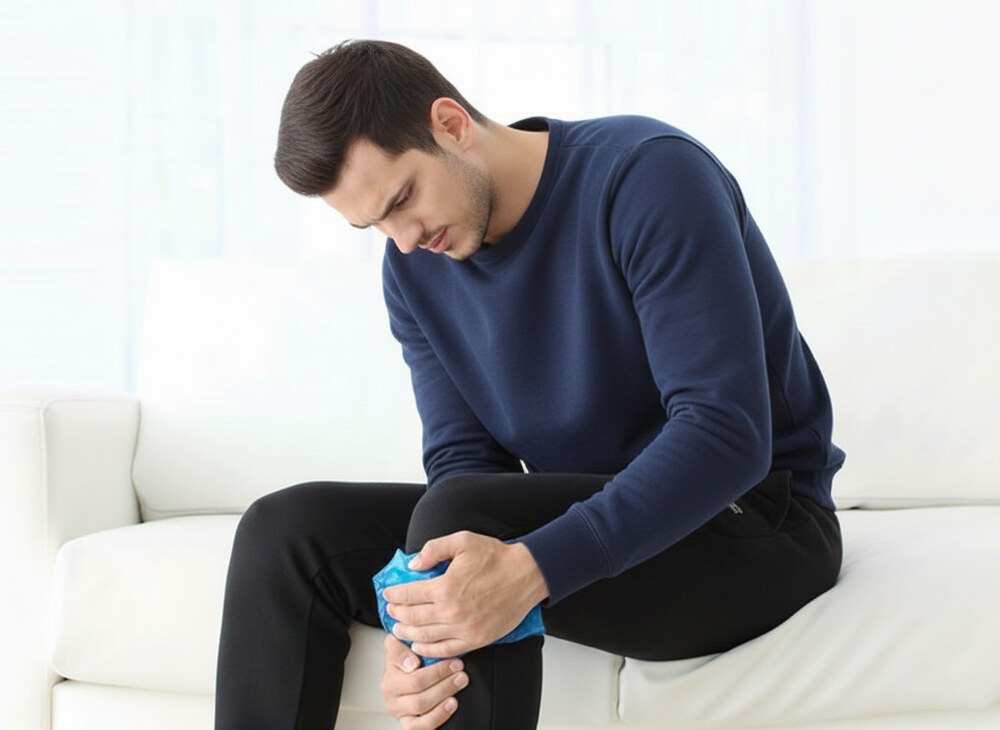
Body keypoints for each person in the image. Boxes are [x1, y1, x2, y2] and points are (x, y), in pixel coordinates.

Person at [214, 39, 845, 730]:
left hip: (753, 525)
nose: (403, 237)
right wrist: (414, 625)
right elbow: (465, 464)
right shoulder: (414, 270)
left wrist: (534, 568)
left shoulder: (649, 177)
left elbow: (727, 435)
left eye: (403, 198)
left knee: (464, 516)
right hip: (589, 524)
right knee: (287, 534)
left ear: (451, 124)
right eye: (375, 225)